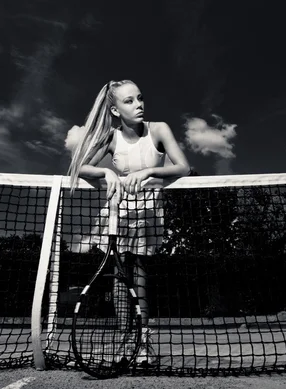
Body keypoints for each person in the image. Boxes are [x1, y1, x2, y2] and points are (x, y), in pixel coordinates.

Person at [68, 79, 191, 365]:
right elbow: (79, 166)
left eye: (140, 98)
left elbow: (183, 166)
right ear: (114, 110)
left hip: (148, 212)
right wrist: (106, 174)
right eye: (129, 101)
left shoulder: (159, 129)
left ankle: (143, 343)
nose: (139, 105)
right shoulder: (111, 138)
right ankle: (125, 341)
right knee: (120, 278)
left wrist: (148, 172)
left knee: (140, 275)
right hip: (118, 212)